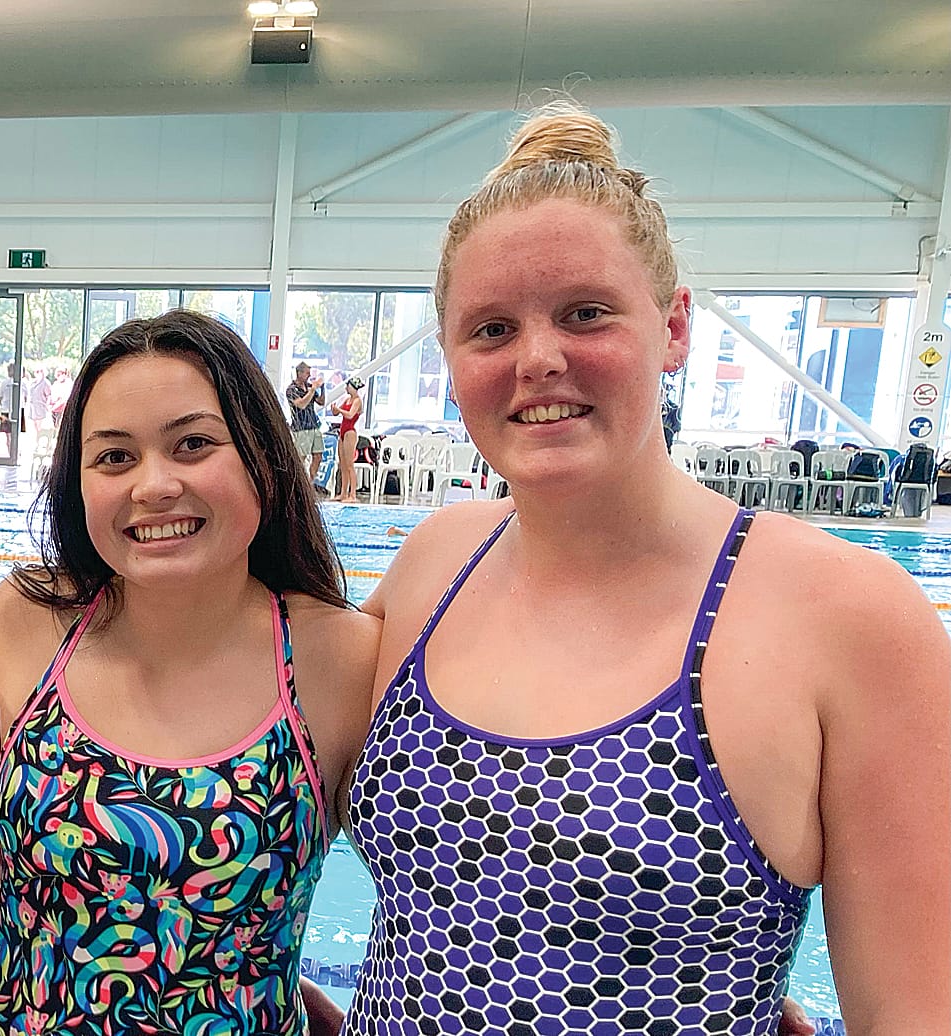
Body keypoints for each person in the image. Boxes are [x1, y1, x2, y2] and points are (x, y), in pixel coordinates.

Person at [347, 102, 949, 1034]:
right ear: (451, 357)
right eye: (491, 329)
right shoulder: (435, 561)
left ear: (674, 328)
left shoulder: (845, 615)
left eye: (585, 314)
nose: (537, 360)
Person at [0, 309, 380, 1035]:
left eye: (192, 444)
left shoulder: (335, 655)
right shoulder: (27, 620)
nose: (153, 485)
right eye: (113, 457)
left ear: (261, 458)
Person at [286, 361, 326, 494]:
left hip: (313, 425)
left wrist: (322, 388)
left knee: (318, 455)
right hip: (301, 427)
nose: (309, 376)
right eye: (307, 373)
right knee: (301, 457)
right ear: (300, 373)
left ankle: (310, 483)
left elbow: (321, 402)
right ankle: (298, 484)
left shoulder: (308, 387)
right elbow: (301, 404)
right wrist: (312, 390)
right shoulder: (291, 390)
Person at [332, 377, 364, 503]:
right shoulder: (347, 399)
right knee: (342, 464)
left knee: (350, 464)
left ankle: (353, 494)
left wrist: (339, 410)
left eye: (347, 386)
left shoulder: (357, 401)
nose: (346, 388)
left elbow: (350, 415)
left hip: (350, 432)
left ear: (353, 387)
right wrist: (334, 409)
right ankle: (343, 493)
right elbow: (337, 413)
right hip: (342, 431)